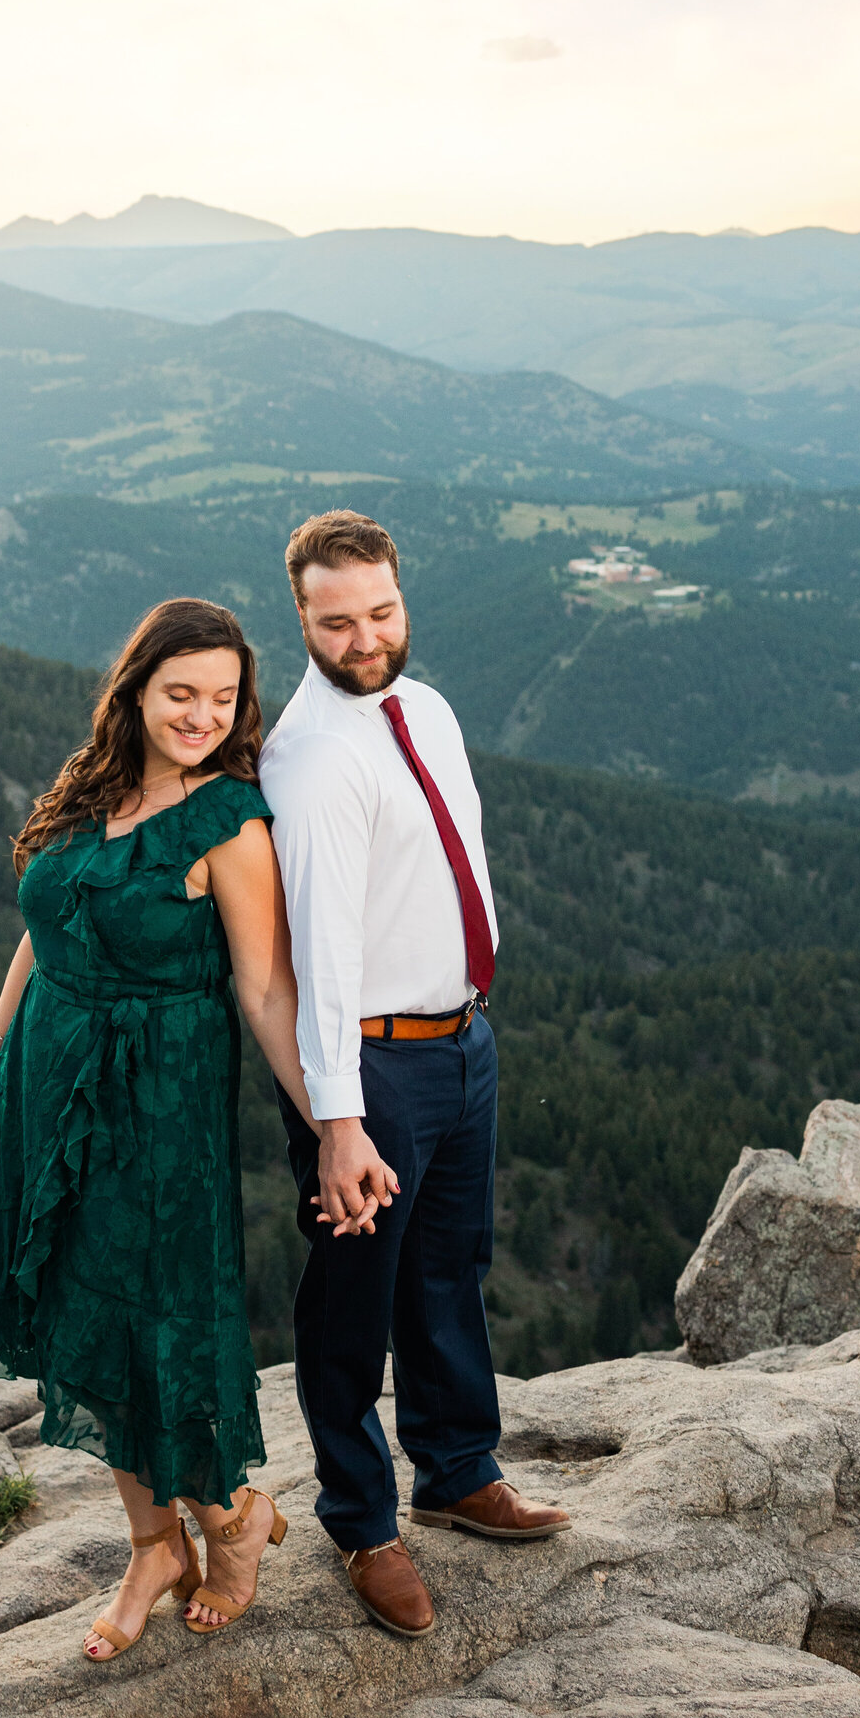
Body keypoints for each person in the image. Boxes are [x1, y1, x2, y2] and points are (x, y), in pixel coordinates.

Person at [0, 598, 314, 1660]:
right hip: (52, 1078)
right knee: (77, 1312)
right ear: (135, 689)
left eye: (221, 698)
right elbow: (46, 930)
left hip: (160, 1106)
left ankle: (233, 1514)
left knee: (161, 1318)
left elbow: (265, 987)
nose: (200, 714)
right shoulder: (90, 791)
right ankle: (153, 1541)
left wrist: (332, 1122)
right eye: (180, 693)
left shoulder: (229, 819)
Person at [259, 511, 569, 1638]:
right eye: (336, 622)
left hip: (460, 1040)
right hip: (372, 1067)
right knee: (351, 1300)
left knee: (450, 1266)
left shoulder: (423, 710)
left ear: (403, 595)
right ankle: (361, 1519)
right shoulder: (311, 759)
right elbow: (322, 957)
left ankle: (454, 1468)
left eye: (380, 612)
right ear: (301, 619)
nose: (362, 638)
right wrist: (337, 1121)